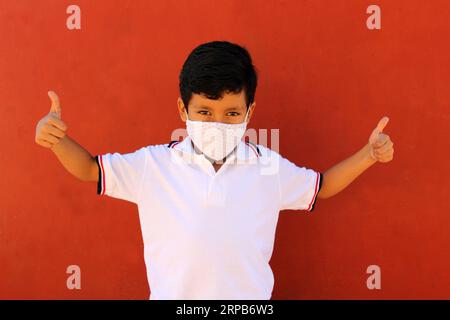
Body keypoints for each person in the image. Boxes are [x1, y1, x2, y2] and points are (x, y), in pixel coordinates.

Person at [34, 40, 394, 300]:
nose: (218, 123)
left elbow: (322, 186)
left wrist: (369, 154)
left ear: (249, 113)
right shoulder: (153, 165)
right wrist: (55, 139)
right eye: (205, 112)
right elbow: (88, 169)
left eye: (232, 113)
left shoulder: (268, 167)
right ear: (182, 110)